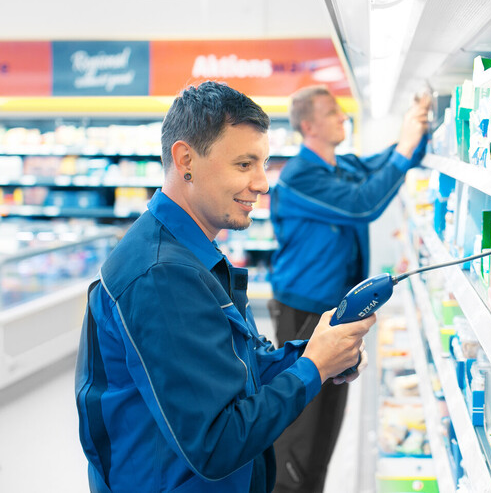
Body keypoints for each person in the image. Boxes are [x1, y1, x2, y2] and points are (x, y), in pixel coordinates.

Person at [74, 81, 375, 493]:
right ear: (186, 161)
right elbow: (215, 444)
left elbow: (237, 371)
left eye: (263, 164)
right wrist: (314, 367)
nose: (263, 183)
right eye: (244, 164)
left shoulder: (194, 255)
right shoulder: (162, 275)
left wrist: (317, 349)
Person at [268, 85, 431, 492]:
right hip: (304, 313)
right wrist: (404, 146)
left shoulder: (338, 167)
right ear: (308, 125)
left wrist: (416, 131)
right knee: (302, 429)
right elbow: (362, 203)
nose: (342, 116)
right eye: (330, 112)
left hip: (334, 312)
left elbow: (381, 164)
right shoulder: (300, 176)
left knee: (326, 425)